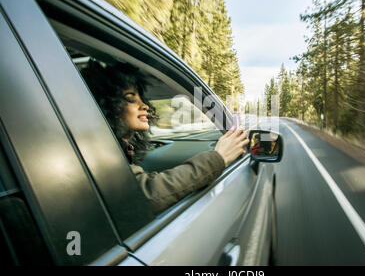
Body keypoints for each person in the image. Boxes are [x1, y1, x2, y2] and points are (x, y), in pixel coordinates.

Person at [81, 60, 249, 213]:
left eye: (141, 97)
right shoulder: (98, 154)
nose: (144, 105)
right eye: (130, 98)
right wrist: (218, 158)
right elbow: (146, 194)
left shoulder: (115, 148)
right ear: (107, 105)